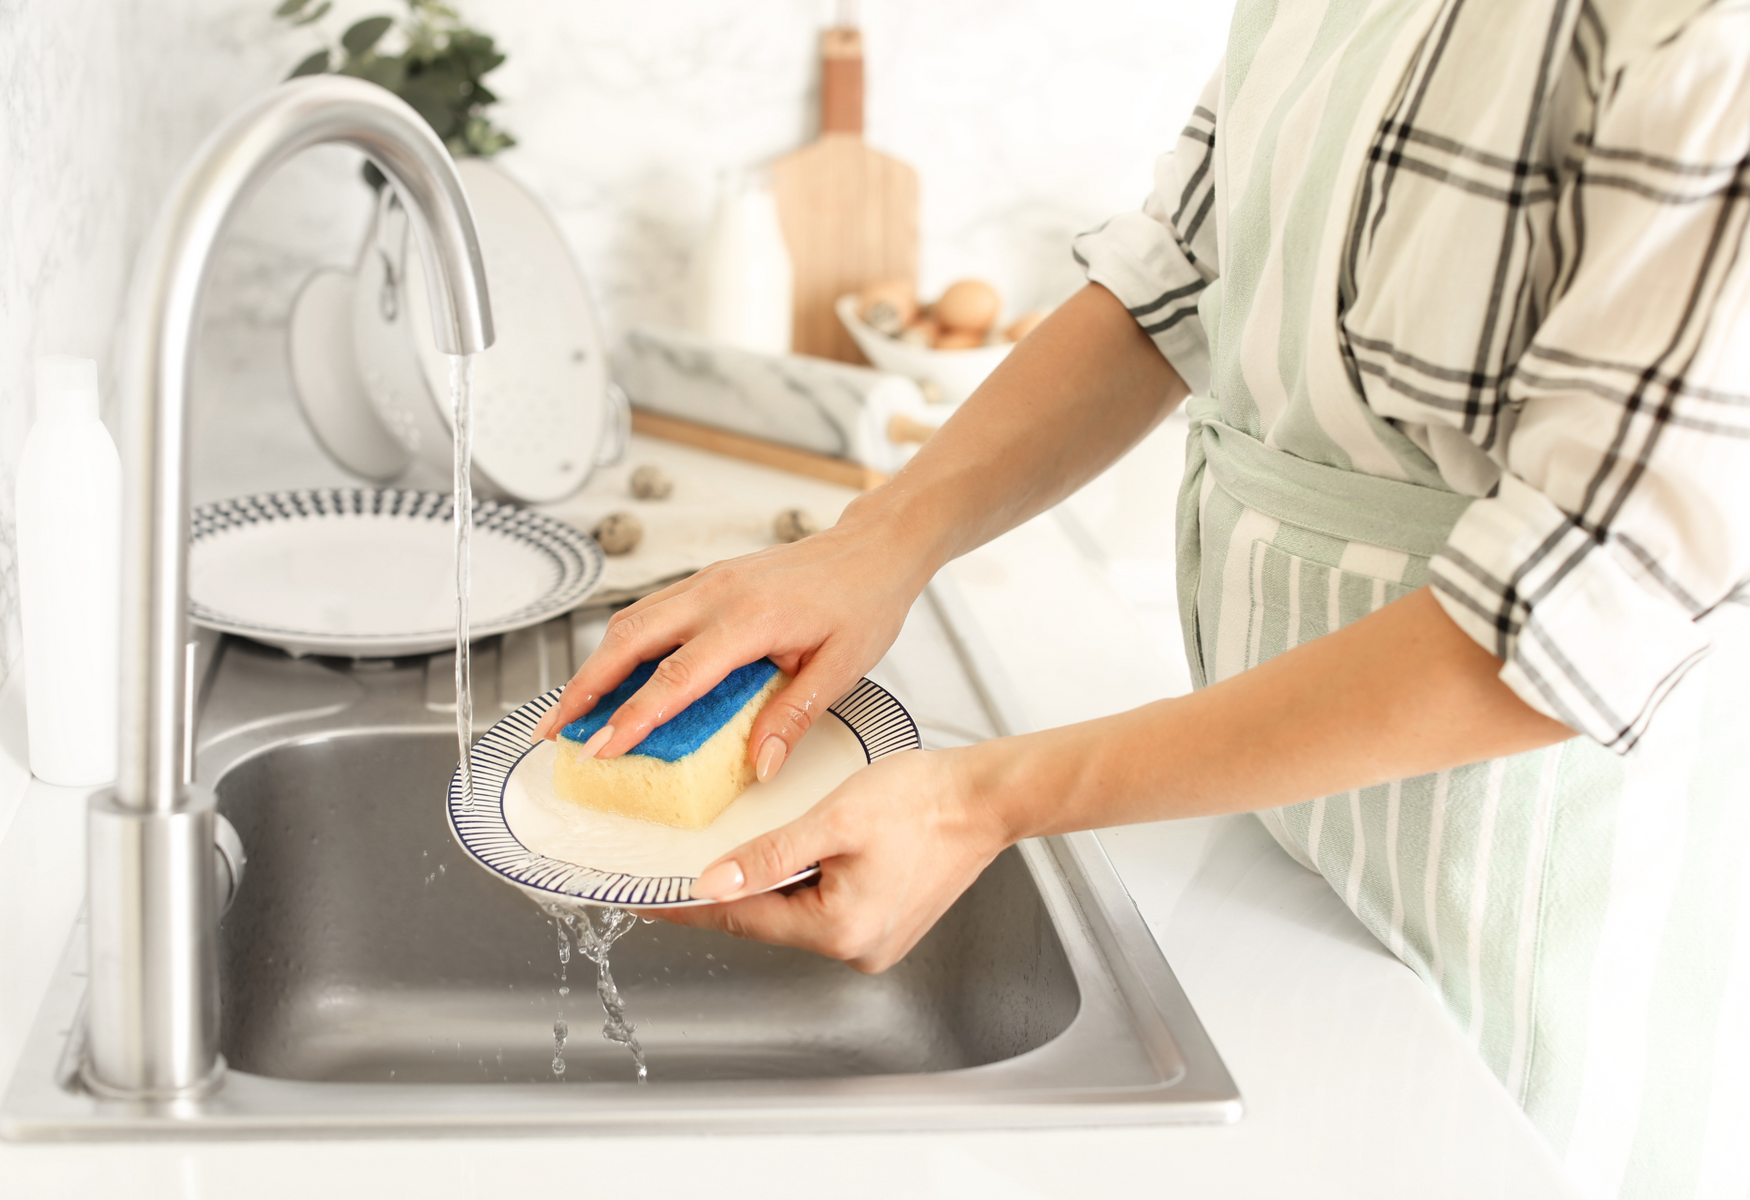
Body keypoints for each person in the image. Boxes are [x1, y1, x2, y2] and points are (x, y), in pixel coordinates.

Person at [537, 1, 1750, 1194]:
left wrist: (978, 802)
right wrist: (878, 542)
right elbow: (1176, 280)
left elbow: (1567, 619)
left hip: (1529, 916)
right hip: (1278, 835)